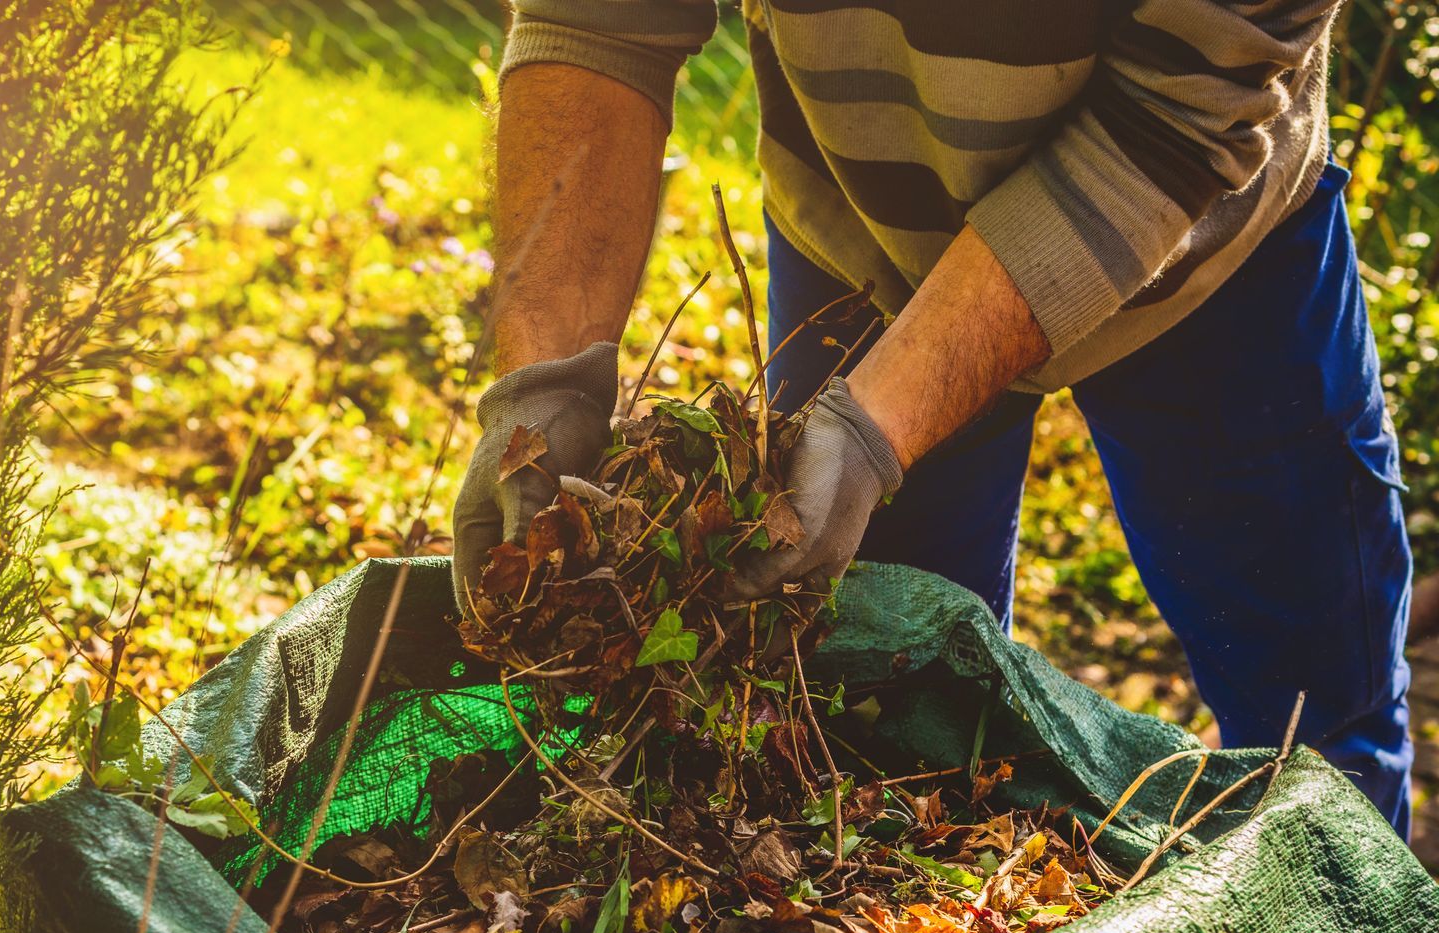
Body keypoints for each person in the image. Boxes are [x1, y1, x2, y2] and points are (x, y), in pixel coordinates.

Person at [452, 0, 1415, 837]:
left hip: (1212, 258)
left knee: (1317, 750)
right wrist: (544, 381)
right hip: (865, 233)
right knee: (878, 741)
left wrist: (879, 425)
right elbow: (594, 20)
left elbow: (1181, 104)